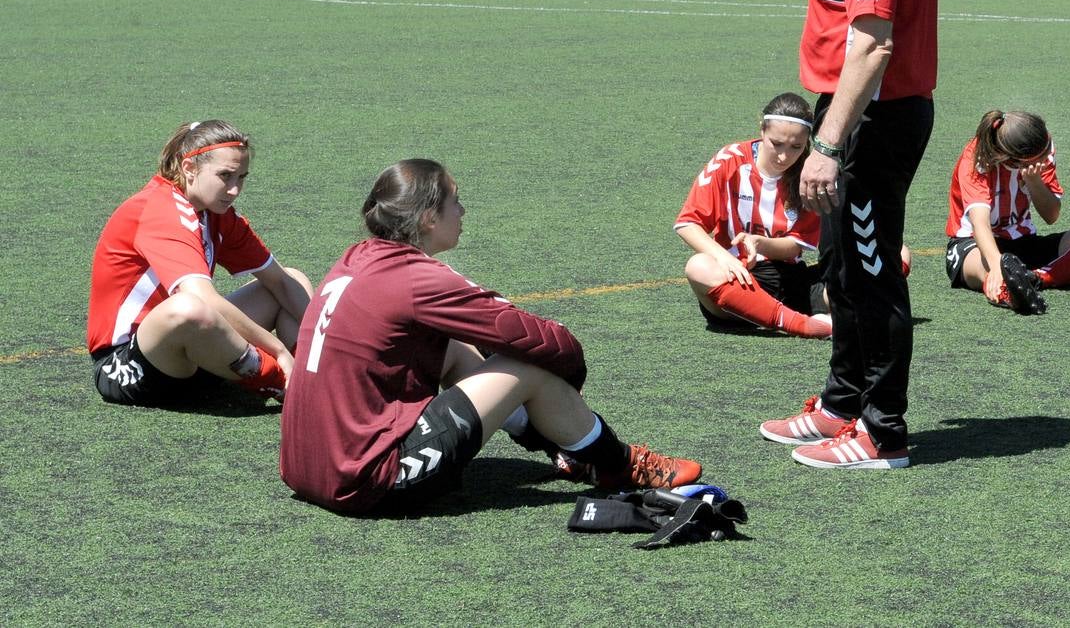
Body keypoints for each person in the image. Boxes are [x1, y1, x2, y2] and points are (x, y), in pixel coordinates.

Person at [280, 159, 701, 514]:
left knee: (453, 347)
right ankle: (619, 464)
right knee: (527, 366)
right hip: (366, 482)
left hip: (305, 470)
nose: (462, 210)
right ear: (428, 217)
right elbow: (538, 338)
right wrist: (568, 371)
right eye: (455, 201)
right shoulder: (417, 278)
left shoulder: (356, 256)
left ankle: (563, 450)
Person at [757, 0, 937, 470]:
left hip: (871, 119)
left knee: (871, 273)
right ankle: (841, 404)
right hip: (856, 111)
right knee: (840, 266)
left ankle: (882, 432)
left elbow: (871, 47)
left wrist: (828, 145)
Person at [88, 120, 310, 406]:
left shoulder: (216, 213)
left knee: (290, 280)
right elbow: (202, 301)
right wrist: (278, 351)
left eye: (241, 177)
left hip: (193, 357)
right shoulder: (159, 210)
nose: (234, 189)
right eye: (225, 176)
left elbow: (279, 281)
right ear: (189, 168)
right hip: (127, 367)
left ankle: (320, 372)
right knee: (189, 309)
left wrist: (332, 349)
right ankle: (285, 385)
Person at [945, 110, 1070, 315]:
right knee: (994, 269)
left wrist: (1034, 181)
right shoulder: (977, 156)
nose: (1047, 156)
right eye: (1041, 157)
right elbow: (980, 224)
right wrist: (997, 268)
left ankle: (1035, 278)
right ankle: (1007, 285)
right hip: (974, 247)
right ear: (1016, 160)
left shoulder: (1041, 145)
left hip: (1025, 242)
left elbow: (1051, 215)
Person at [676, 93, 832, 339]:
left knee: (897, 255)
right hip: (738, 279)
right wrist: (723, 257)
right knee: (699, 267)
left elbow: (795, 247)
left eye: (796, 147)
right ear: (762, 129)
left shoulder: (810, 172)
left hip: (793, 282)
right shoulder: (730, 160)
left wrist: (759, 243)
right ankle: (802, 326)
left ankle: (792, 316)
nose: (784, 156)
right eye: (776, 143)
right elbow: (687, 223)